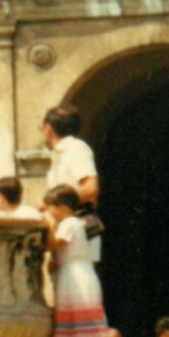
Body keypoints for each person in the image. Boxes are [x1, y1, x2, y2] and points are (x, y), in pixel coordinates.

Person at [39, 185, 113, 337]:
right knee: (80, 322)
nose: (48, 211)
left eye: (50, 207)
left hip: (76, 276)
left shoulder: (69, 223)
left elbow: (52, 244)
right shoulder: (73, 223)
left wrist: (48, 222)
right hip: (73, 273)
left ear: (61, 207)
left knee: (87, 320)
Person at [42, 104, 101, 263]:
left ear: (48, 128)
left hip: (77, 228)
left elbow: (90, 188)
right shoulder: (59, 154)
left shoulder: (75, 149)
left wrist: (52, 204)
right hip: (64, 231)